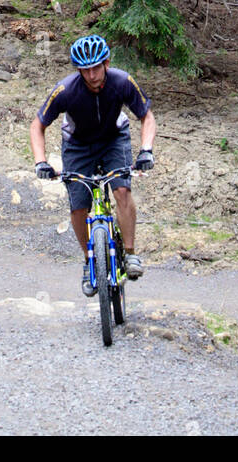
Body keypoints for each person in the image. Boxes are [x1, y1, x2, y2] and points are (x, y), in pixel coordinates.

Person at [29, 33, 156, 295]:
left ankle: (130, 253)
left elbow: (147, 117)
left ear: (106, 63)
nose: (91, 75)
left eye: (96, 68)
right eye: (84, 70)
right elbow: (37, 125)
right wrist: (40, 161)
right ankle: (89, 262)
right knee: (79, 206)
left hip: (114, 138)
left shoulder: (122, 82)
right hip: (78, 145)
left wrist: (146, 150)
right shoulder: (65, 90)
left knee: (121, 190)